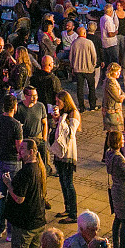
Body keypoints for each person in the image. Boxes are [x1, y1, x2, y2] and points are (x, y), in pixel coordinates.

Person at [6, 139, 48, 248]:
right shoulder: (39, 168)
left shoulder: (26, 172)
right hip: (37, 222)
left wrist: (8, 183)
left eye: (22, 148)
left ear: (30, 152)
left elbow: (19, 198)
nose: (19, 150)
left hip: (25, 225)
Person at [0, 94, 24, 240]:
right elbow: (19, 147)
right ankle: (10, 232)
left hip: (0, 160)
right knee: (12, 195)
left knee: (1, 194)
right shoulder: (16, 124)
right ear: (15, 107)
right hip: (13, 162)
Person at [51, 92, 81, 222]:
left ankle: (73, 214)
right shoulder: (64, 114)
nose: (57, 104)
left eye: (59, 102)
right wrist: (57, 119)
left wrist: (61, 120)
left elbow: (70, 132)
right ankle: (67, 208)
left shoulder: (73, 113)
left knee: (68, 182)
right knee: (62, 181)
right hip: (60, 152)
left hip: (68, 152)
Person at [68, 27, 99, 112]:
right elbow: (94, 56)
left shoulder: (74, 43)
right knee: (91, 88)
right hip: (88, 69)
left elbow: (71, 57)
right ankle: (92, 105)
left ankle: (81, 107)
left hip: (78, 69)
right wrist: (93, 65)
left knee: (79, 88)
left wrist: (72, 67)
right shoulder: (89, 43)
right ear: (84, 33)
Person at [101, 63, 125, 133]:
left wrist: (122, 95)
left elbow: (122, 93)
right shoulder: (110, 82)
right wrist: (122, 97)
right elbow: (118, 98)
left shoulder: (113, 81)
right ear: (111, 72)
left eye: (119, 71)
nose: (118, 73)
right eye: (116, 71)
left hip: (114, 109)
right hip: (112, 110)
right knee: (114, 131)